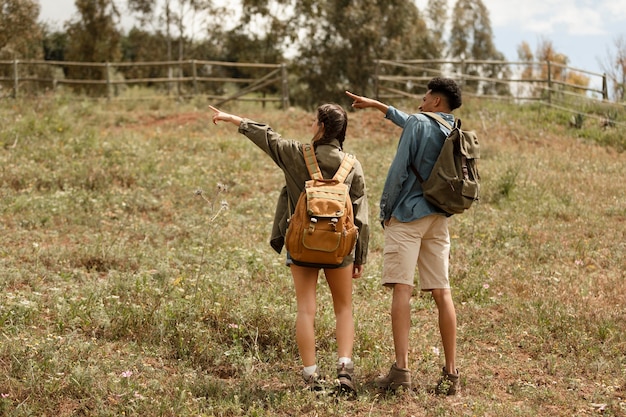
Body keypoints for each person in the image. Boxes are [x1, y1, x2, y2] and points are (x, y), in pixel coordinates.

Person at [208, 103, 369, 396]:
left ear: (321, 126)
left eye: (313, 121)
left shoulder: (297, 154)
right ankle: (344, 370)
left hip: (302, 245)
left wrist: (235, 119)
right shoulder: (352, 165)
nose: (311, 125)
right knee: (343, 309)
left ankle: (311, 377)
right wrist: (360, 256)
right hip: (340, 249)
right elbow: (361, 215)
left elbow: (267, 137)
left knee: (306, 309)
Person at [345, 77, 462, 395]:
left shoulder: (419, 123)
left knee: (402, 290)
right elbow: (410, 120)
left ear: (436, 101)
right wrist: (378, 106)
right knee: (443, 293)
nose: (420, 103)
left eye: (425, 98)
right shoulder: (452, 127)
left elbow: (398, 170)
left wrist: (385, 211)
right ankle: (451, 375)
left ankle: (402, 371)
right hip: (438, 218)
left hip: (407, 216)